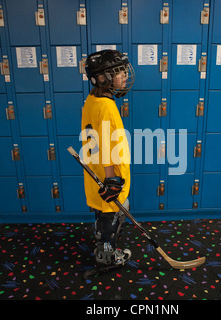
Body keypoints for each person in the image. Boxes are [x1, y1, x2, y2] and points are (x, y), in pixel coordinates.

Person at [81, 50, 135, 269]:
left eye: (123, 71)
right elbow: (106, 146)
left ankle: (104, 245)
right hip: (109, 177)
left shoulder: (93, 100)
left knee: (105, 216)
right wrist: (112, 181)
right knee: (112, 217)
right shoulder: (107, 107)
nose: (124, 76)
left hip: (96, 175)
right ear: (102, 78)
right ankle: (106, 259)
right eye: (119, 72)